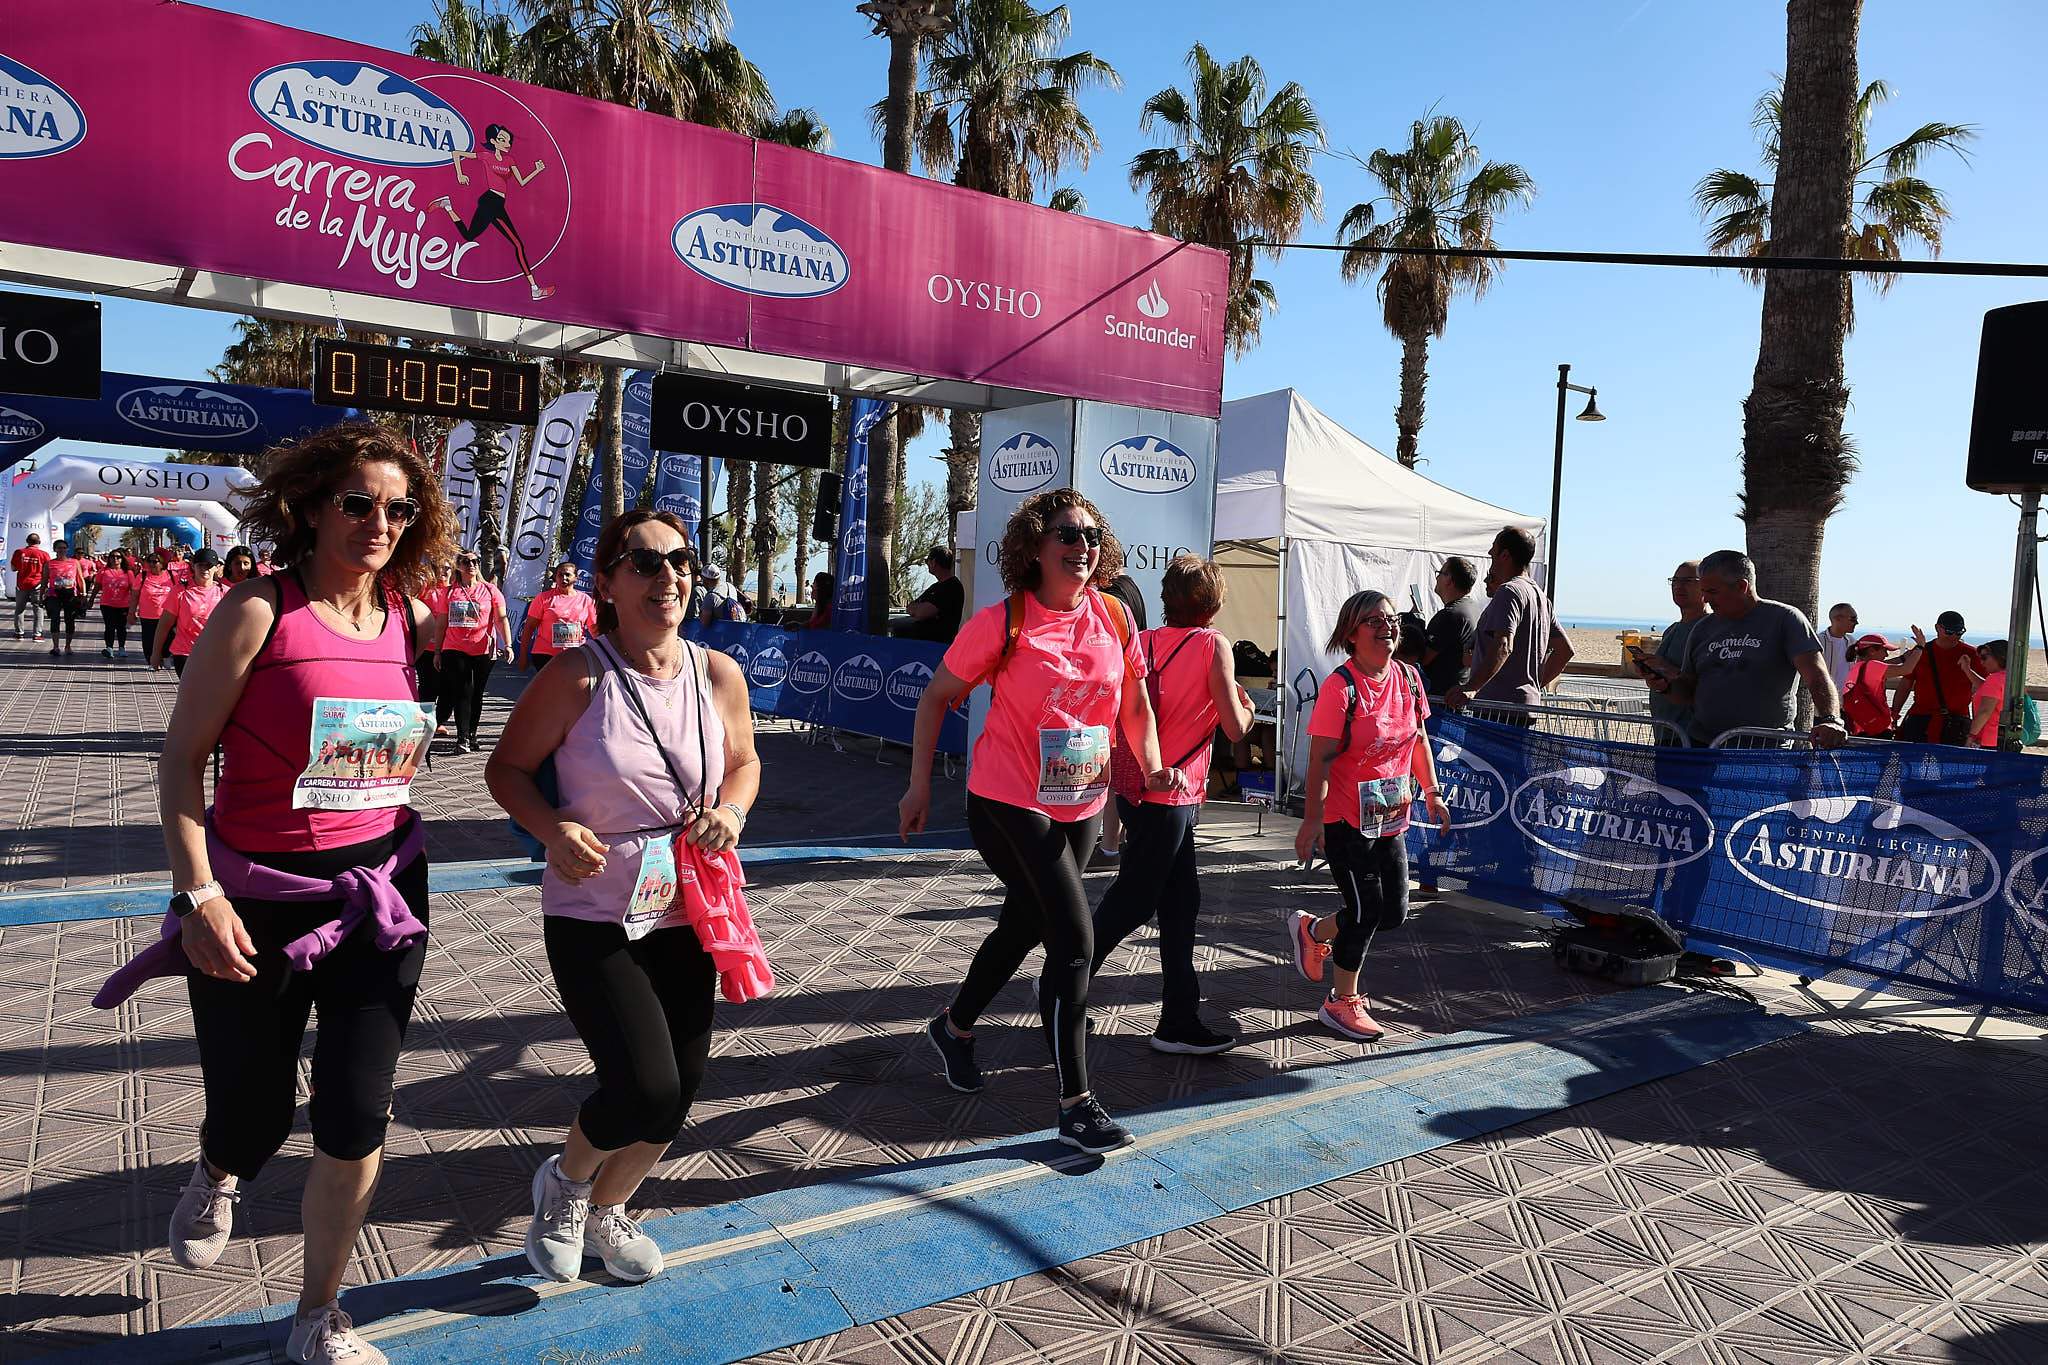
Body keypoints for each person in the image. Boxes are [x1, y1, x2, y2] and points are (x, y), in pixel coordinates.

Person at [97, 423, 450, 1365]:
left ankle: (316, 1315)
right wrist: (197, 896)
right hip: (255, 902)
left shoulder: (412, 619)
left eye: (399, 508)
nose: (381, 522)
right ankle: (218, 1167)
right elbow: (180, 763)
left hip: (381, 899)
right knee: (252, 1114)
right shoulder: (258, 611)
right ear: (310, 508)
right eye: (359, 503)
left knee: (354, 1113)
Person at [487, 510, 766, 1286]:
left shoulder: (718, 673)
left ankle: (610, 1209)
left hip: (689, 908)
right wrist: (551, 829)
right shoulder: (578, 675)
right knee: (641, 1083)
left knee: (679, 1092)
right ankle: (566, 1186)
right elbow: (506, 770)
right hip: (593, 913)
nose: (666, 576)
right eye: (643, 563)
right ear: (606, 582)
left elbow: (745, 761)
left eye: (679, 560)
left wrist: (733, 810)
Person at [898, 488, 1175, 1154]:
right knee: (1074, 943)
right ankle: (1076, 1103)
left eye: (1089, 537)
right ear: (1035, 545)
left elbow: (1134, 700)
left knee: (1022, 925)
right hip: (1006, 801)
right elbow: (937, 696)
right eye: (1067, 535)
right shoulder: (1005, 620)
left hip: (1078, 799)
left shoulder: (1112, 614)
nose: (1081, 547)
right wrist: (916, 787)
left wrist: (1153, 762)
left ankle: (955, 1025)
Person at [1090, 555, 1255, 1055]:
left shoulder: (1142, 642)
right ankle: (1062, 978)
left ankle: (1178, 1019)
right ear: (1213, 602)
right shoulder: (1212, 645)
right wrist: (1247, 709)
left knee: (1180, 905)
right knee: (1136, 901)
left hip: (1140, 787)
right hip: (1174, 793)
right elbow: (1233, 727)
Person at [1289, 591, 1452, 1041]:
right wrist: (1312, 820)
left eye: (1391, 618)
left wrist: (1433, 792)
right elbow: (1319, 758)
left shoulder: (1409, 678)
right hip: (1345, 819)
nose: (1387, 626)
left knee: (1394, 912)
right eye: (1374, 620)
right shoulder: (1340, 687)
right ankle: (1341, 1002)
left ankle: (1313, 930)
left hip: (1390, 817)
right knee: (1365, 912)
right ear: (1351, 633)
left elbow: (1417, 739)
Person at [1639, 550, 1845, 748]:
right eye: (1703, 591)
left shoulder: (1785, 620)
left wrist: (1831, 720)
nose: (1706, 599)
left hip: (1763, 749)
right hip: (1703, 747)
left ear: (1741, 586)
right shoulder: (1702, 628)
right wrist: (1664, 685)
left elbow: (1817, 676)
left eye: (1712, 592)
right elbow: (1688, 691)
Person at [1446, 527, 1572, 720]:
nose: (1490, 554)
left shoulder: (1509, 591)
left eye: (1493, 550)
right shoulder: (1540, 597)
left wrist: (1472, 687)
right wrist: (1532, 687)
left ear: (1505, 555)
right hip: (1524, 708)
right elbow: (1565, 650)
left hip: (1497, 710)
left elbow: (1503, 645)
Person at [431, 122, 555, 302]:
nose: (507, 143)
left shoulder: (510, 160)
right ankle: (534, 289)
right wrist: (460, 174)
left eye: (508, 140)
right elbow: (456, 153)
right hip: (490, 201)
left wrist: (536, 170)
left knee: (469, 235)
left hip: (497, 203)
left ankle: (447, 205)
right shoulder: (486, 157)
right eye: (502, 139)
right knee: (518, 245)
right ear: (493, 141)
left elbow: (521, 182)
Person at [1095, 577, 1151, 859]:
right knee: (1121, 783)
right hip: (1122, 719)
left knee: (1121, 784)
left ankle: (1111, 848)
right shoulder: (1141, 640)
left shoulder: (1134, 644)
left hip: (1125, 719)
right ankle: (1113, 846)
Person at [436, 551, 511, 753]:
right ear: (458, 566)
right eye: (467, 561)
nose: (472, 565)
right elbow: (441, 622)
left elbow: (501, 619)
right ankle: (462, 739)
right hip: (454, 648)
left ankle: (472, 735)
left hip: (483, 649)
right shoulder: (449, 592)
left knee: (477, 693)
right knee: (463, 691)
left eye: (475, 561)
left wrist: (508, 644)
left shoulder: (490, 590)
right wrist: (437, 651)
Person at [1634, 560, 1710, 744]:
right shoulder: (1672, 629)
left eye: (1688, 581)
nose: (1679, 587)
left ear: (1705, 586)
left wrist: (1666, 668)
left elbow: (1709, 684)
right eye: (1675, 581)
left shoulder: (1711, 629)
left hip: (1692, 737)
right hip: (1664, 732)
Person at [1890, 611, 1982, 746]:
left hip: (1957, 721)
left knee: (1951, 765)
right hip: (1920, 719)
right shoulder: (1922, 652)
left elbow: (1984, 688)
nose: (1955, 636)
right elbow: (1905, 685)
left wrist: (1977, 729)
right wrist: (1895, 714)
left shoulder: (1971, 654)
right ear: (1938, 628)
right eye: (1950, 632)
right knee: (1913, 762)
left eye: (1960, 632)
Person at [152, 550, 228, 678]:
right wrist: (156, 653)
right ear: (193, 566)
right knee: (192, 694)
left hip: (214, 653)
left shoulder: (225, 593)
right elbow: (164, 624)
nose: (205, 569)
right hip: (185, 653)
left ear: (216, 568)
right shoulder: (180, 590)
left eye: (209, 566)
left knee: (209, 695)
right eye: (201, 565)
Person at [518, 562, 598, 671]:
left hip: (575, 654)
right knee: (550, 687)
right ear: (555, 577)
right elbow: (529, 627)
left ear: (576, 578)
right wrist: (523, 656)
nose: (564, 578)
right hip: (545, 654)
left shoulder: (585, 600)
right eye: (560, 575)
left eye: (567, 575)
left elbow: (595, 630)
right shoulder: (543, 598)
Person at [1421, 557, 1482, 698]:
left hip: (1442, 700)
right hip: (1457, 694)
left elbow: (1423, 658)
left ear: (1449, 579)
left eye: (1440, 573)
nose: (1436, 578)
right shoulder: (1472, 607)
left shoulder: (1450, 615)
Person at [899, 545, 966, 643]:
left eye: (927, 561)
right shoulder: (934, 587)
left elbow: (921, 613)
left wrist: (918, 609)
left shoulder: (952, 587)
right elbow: (911, 607)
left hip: (937, 646)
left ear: (934, 562)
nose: (927, 564)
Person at [1840, 634, 1896, 738]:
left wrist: (1903, 658)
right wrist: (1920, 648)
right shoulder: (1873, 665)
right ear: (1872, 651)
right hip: (1876, 726)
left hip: (1863, 725)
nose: (1886, 655)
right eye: (1884, 650)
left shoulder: (1859, 666)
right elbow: (1906, 669)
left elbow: (1887, 664)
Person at [43, 540, 85, 657]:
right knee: (55, 619)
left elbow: (80, 578)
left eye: (64, 548)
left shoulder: (74, 562)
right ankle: (56, 647)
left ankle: (68, 646)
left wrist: (84, 594)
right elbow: (44, 580)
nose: (62, 550)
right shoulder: (49, 563)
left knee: (70, 620)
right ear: (55, 549)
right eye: (59, 548)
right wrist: (42, 593)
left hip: (70, 595)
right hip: (54, 595)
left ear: (67, 549)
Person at [137, 551, 179, 663]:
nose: (151, 564)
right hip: (147, 616)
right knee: (148, 641)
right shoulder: (142, 576)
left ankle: (165, 656)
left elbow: (180, 593)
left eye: (154, 561)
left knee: (169, 638)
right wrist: (131, 612)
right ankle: (151, 660)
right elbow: (135, 595)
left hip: (168, 615)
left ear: (162, 563)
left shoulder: (172, 576)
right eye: (149, 561)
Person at [97, 548, 138, 660]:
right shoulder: (103, 571)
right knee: (109, 626)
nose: (115, 559)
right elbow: (97, 586)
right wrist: (89, 600)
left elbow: (133, 590)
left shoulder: (128, 573)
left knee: (121, 627)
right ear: (109, 559)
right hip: (107, 604)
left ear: (122, 559)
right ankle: (109, 648)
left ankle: (121, 648)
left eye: (118, 557)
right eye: (113, 557)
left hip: (124, 605)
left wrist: (135, 606)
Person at [1971, 639, 2010, 748]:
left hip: (1986, 740)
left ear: (1999, 656)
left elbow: (1985, 712)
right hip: (2001, 739)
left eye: (1984, 657)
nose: (1981, 662)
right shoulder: (2008, 678)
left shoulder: (1994, 679)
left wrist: (1971, 737)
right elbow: (1984, 688)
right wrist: (1967, 669)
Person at [11, 532, 50, 640]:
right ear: (39, 542)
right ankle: (37, 634)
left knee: (19, 609)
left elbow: (13, 568)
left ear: (27, 541)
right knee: (38, 609)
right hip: (37, 584)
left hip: (22, 584)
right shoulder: (44, 554)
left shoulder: (19, 552)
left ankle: (19, 633)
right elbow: (47, 571)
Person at [1820, 603, 1859, 692]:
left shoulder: (1852, 642)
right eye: (1853, 619)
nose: (1856, 623)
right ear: (1837, 619)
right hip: (1827, 699)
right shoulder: (1819, 642)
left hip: (1848, 700)